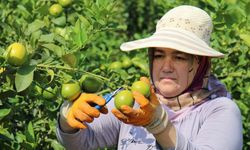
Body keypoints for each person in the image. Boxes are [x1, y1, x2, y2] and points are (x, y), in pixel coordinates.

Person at [56, 5, 243, 150]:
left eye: (179, 57)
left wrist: (159, 124)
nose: (166, 67)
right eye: (159, 55)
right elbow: (81, 142)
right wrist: (68, 118)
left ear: (199, 64)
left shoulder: (219, 110)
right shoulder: (135, 101)